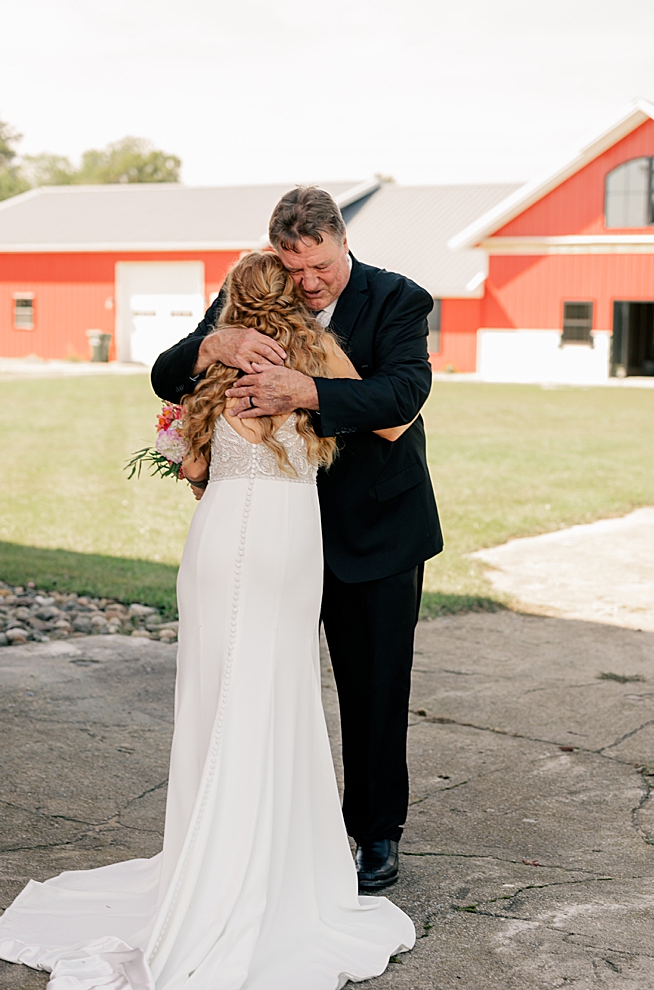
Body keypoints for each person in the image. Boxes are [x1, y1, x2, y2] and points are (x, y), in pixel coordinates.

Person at [0, 244, 415, 990]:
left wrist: (222, 367)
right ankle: (276, 857)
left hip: (221, 543)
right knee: (275, 698)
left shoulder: (221, 365)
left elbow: (192, 464)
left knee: (219, 701)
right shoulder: (310, 356)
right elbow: (377, 417)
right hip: (285, 547)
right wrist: (309, 361)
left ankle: (217, 847)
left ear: (232, 303)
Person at [157, 183, 443, 896]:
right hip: (276, 529)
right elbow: (168, 374)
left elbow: (403, 394)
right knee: (263, 678)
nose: (310, 283)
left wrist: (305, 391)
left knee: (375, 687)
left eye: (321, 267)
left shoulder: (399, 299)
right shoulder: (252, 297)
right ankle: (270, 829)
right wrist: (213, 342)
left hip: (374, 526)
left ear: (343, 242)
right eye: (295, 268)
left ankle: (375, 833)